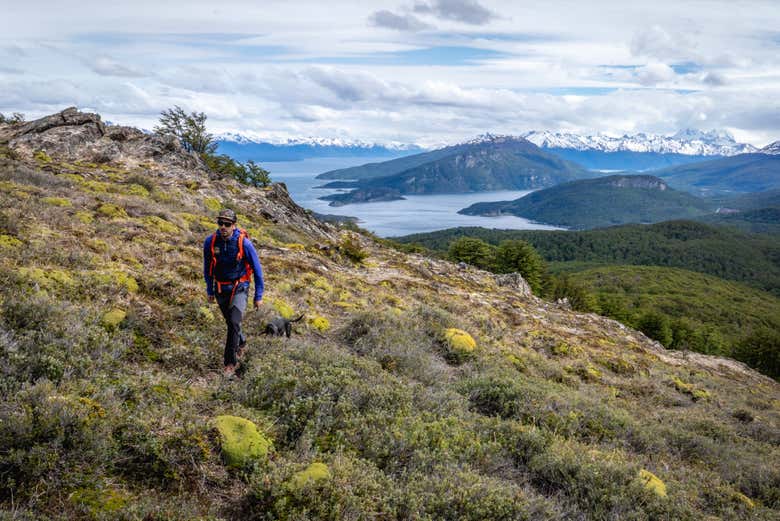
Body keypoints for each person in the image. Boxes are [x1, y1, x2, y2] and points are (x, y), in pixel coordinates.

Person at [203, 209, 264, 377]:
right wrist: (210, 289)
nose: (223, 227)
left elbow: (258, 271)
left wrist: (258, 296)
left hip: (240, 288)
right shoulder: (210, 242)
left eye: (227, 224)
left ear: (234, 225)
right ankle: (242, 341)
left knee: (234, 323)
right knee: (231, 324)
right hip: (221, 289)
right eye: (220, 223)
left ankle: (230, 363)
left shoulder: (244, 243)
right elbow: (207, 268)